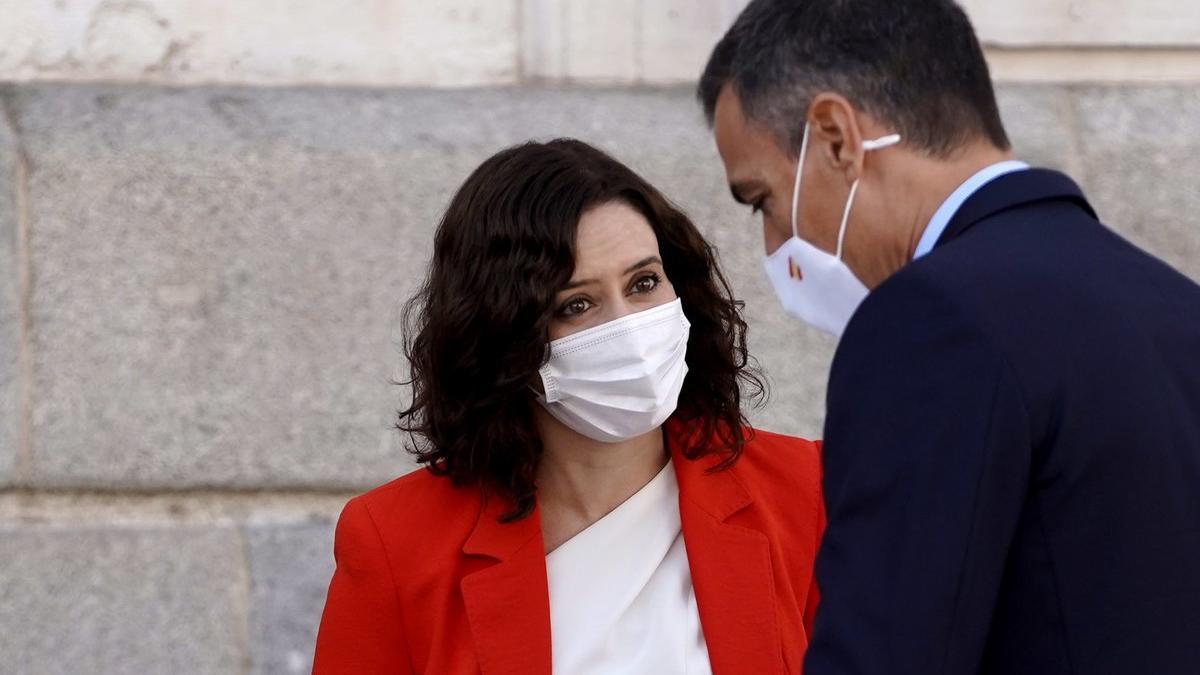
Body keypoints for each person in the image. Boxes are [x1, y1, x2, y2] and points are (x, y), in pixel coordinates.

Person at [698, 1, 1200, 673]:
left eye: (761, 197)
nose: (772, 242)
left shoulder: (930, 321)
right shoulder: (1174, 302)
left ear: (835, 137)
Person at [312, 138, 824, 674]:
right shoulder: (394, 542)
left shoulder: (803, 492)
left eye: (644, 282)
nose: (627, 326)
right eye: (576, 305)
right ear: (505, 338)